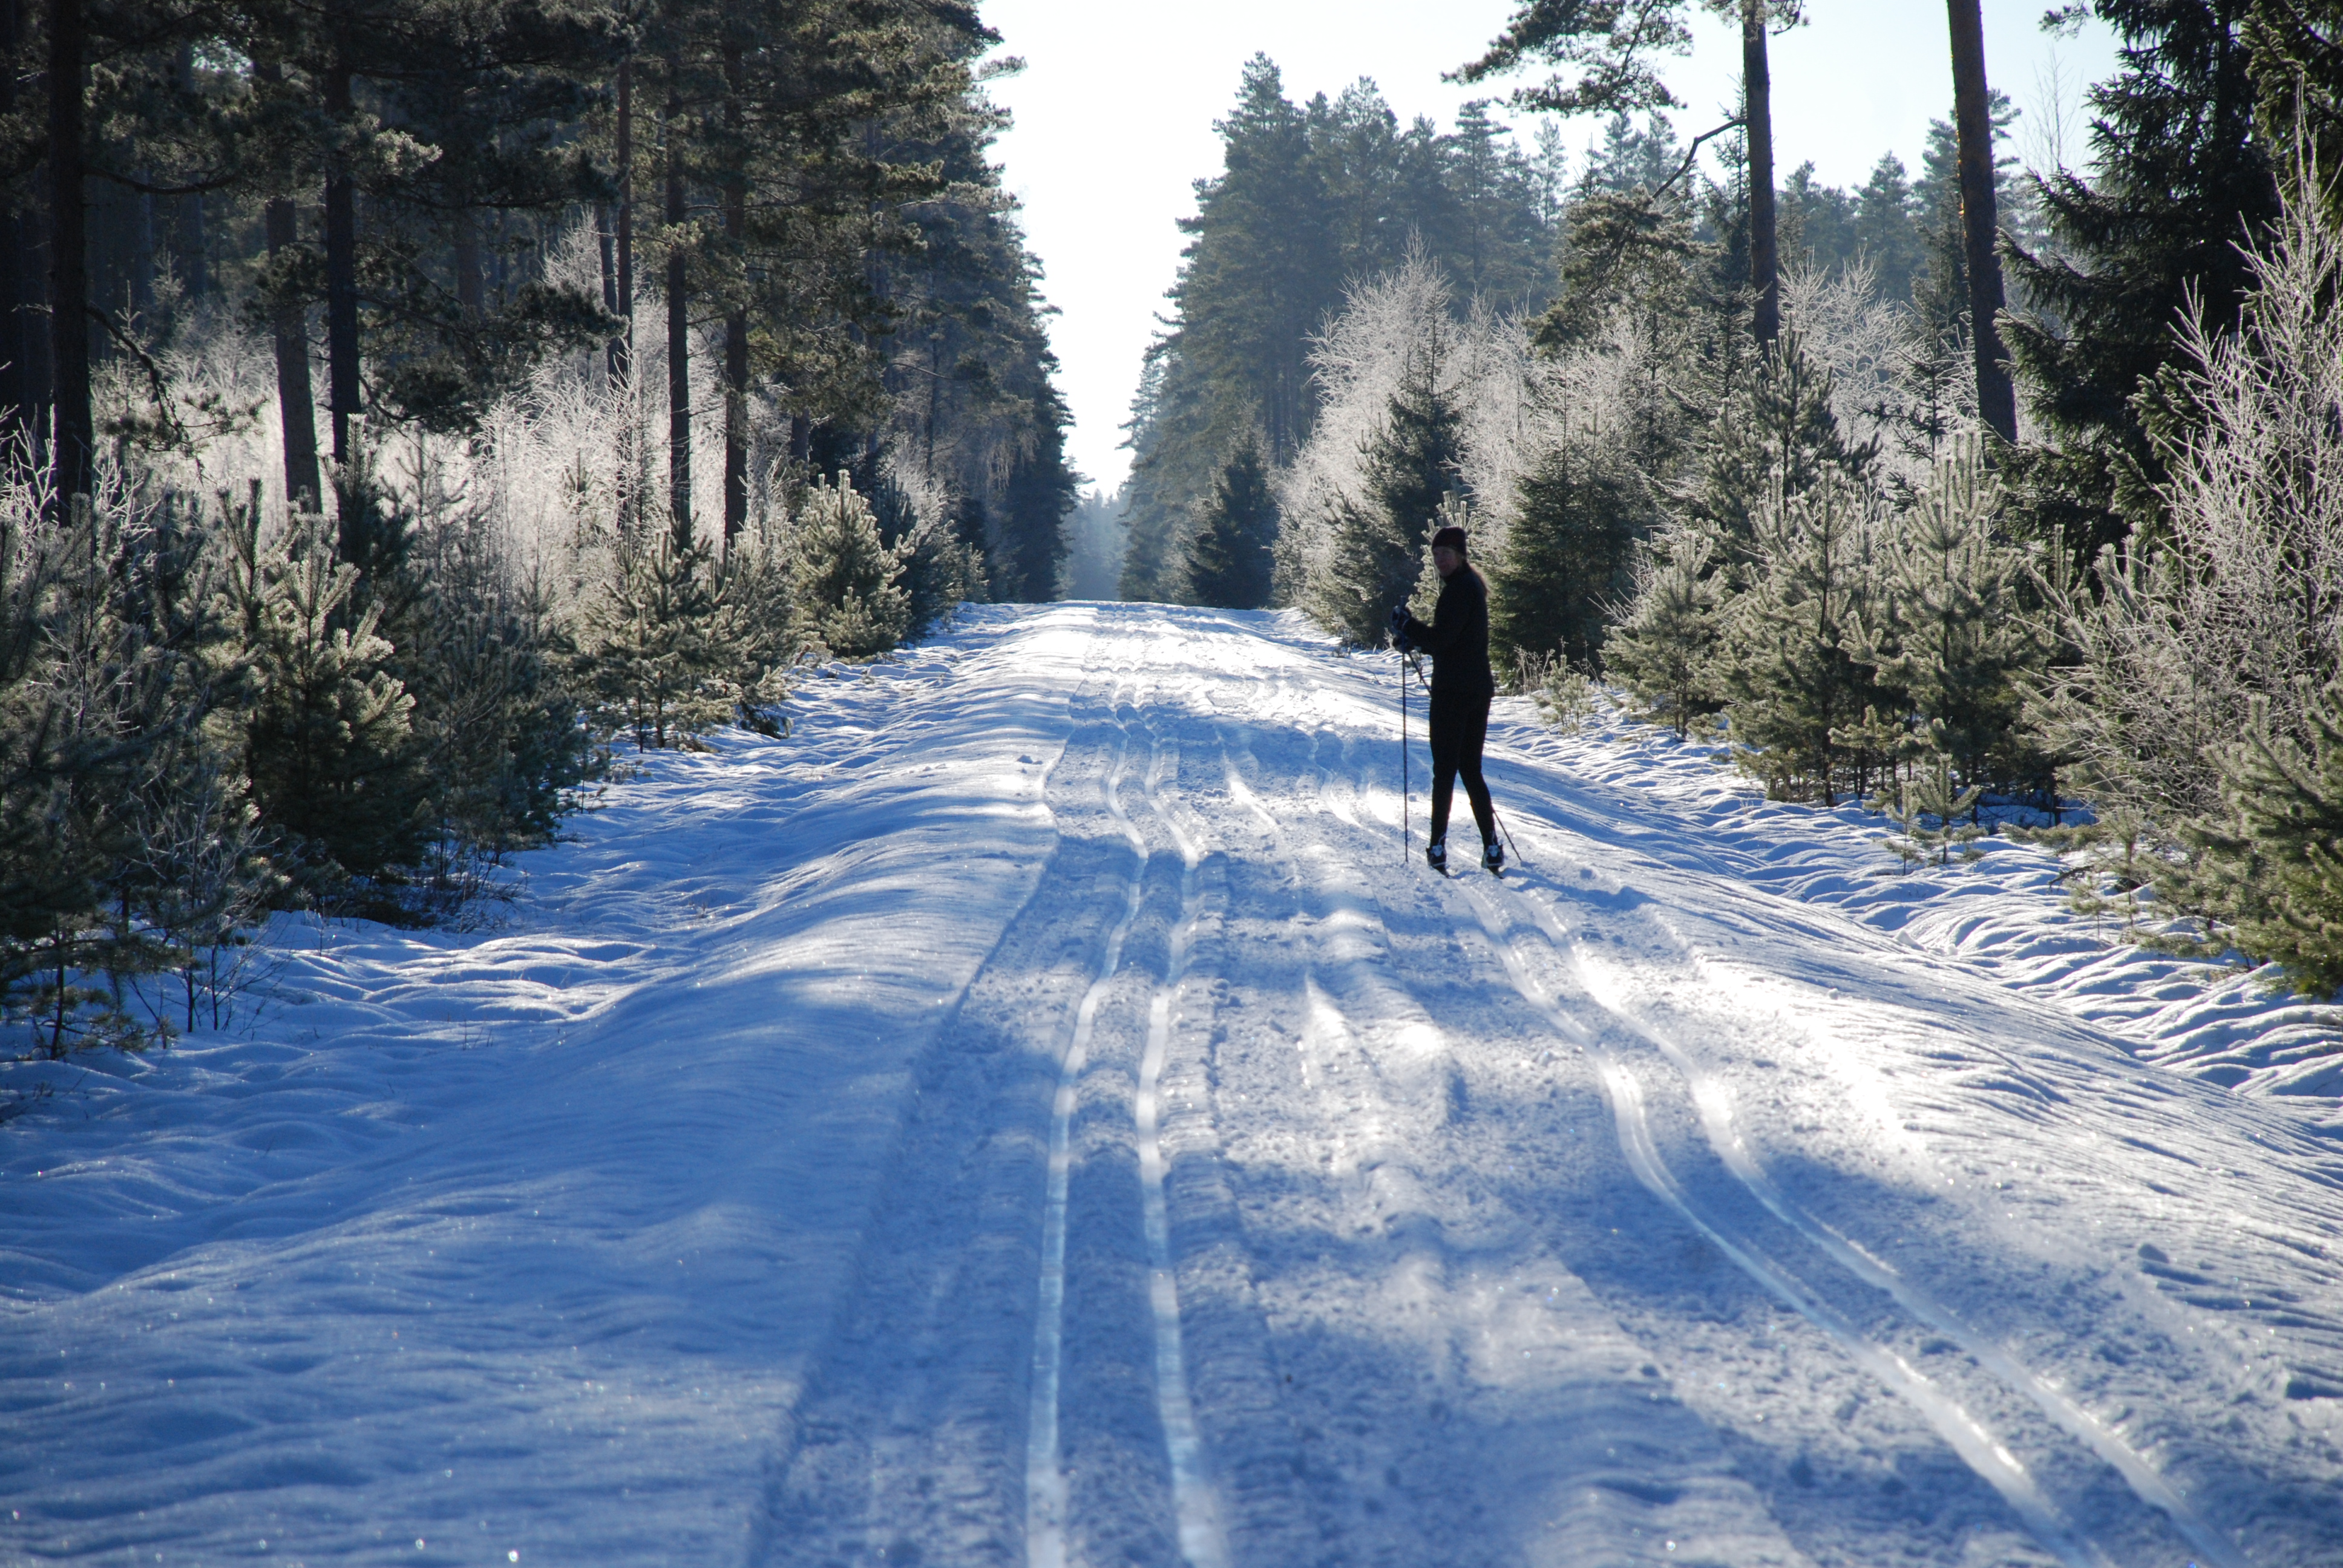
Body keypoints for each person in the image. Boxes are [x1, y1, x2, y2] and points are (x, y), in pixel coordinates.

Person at [1389, 523, 1501, 872]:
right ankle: (1492, 847)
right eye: (1436, 555)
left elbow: (1442, 640)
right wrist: (1416, 638)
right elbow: (1452, 640)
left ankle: (1438, 847)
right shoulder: (1470, 587)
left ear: (1460, 555)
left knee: (1445, 771)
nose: (1440, 560)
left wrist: (1409, 628)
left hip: (1453, 692)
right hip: (1477, 689)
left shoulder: (1458, 591)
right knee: (1470, 769)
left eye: (1446, 554)